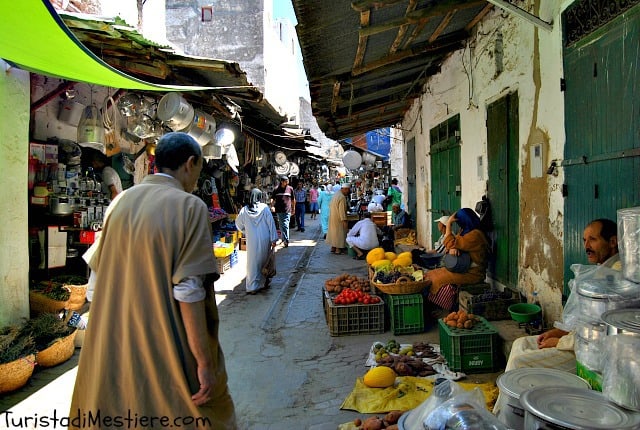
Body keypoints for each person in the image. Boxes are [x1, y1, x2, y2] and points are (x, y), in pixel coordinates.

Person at [70, 132, 237, 429]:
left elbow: (95, 281)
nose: (198, 177)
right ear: (191, 163)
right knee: (196, 410)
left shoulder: (119, 203)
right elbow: (188, 292)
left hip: (117, 337)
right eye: (199, 169)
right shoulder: (190, 207)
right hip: (166, 336)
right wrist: (204, 363)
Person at [493, 218, 620, 416]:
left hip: (590, 357)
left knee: (521, 363)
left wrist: (560, 342)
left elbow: (601, 335)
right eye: (584, 240)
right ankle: (505, 409)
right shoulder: (602, 271)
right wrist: (560, 331)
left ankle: (507, 416)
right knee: (520, 344)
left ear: (613, 242)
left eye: (593, 240)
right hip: (575, 341)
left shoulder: (617, 278)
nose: (587, 246)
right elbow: (586, 322)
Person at [424, 208, 489, 300]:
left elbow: (450, 242)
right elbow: (450, 245)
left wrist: (449, 224)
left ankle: (444, 306)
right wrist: (452, 248)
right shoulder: (464, 232)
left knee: (438, 280)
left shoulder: (475, 235)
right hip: (462, 268)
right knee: (431, 274)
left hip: (472, 273)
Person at [235, 188, 278, 295]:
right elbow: (271, 223)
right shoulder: (264, 208)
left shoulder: (244, 210)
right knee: (264, 261)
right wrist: (274, 238)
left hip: (252, 240)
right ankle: (263, 283)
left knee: (252, 263)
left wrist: (246, 230)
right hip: (265, 239)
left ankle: (252, 286)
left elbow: (238, 224)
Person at [327, 183, 350, 254]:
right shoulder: (342, 197)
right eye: (348, 191)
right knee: (339, 233)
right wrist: (344, 221)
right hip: (338, 218)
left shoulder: (336, 195)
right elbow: (342, 211)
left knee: (334, 233)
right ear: (345, 189)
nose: (348, 192)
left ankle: (333, 248)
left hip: (333, 216)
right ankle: (338, 249)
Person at [272, 175, 295, 247]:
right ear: (282, 182)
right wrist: (272, 206)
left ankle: (286, 240)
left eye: (287, 181)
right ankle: (283, 238)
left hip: (287, 210)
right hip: (279, 210)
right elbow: (272, 198)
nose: (287, 182)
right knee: (281, 225)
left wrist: (293, 208)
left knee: (285, 224)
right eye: (285, 181)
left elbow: (293, 200)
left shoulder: (290, 189)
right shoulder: (276, 189)